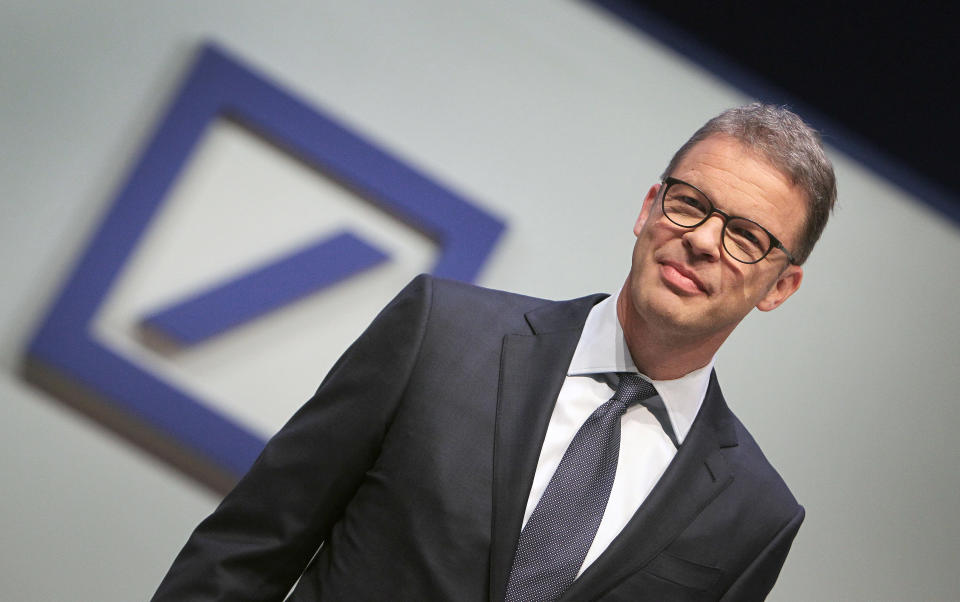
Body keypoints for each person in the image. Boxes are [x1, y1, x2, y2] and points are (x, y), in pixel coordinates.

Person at [152, 103, 836, 601]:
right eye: (691, 203)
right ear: (649, 206)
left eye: (747, 237)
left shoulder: (756, 515)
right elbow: (245, 552)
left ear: (782, 286)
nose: (704, 240)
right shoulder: (440, 334)